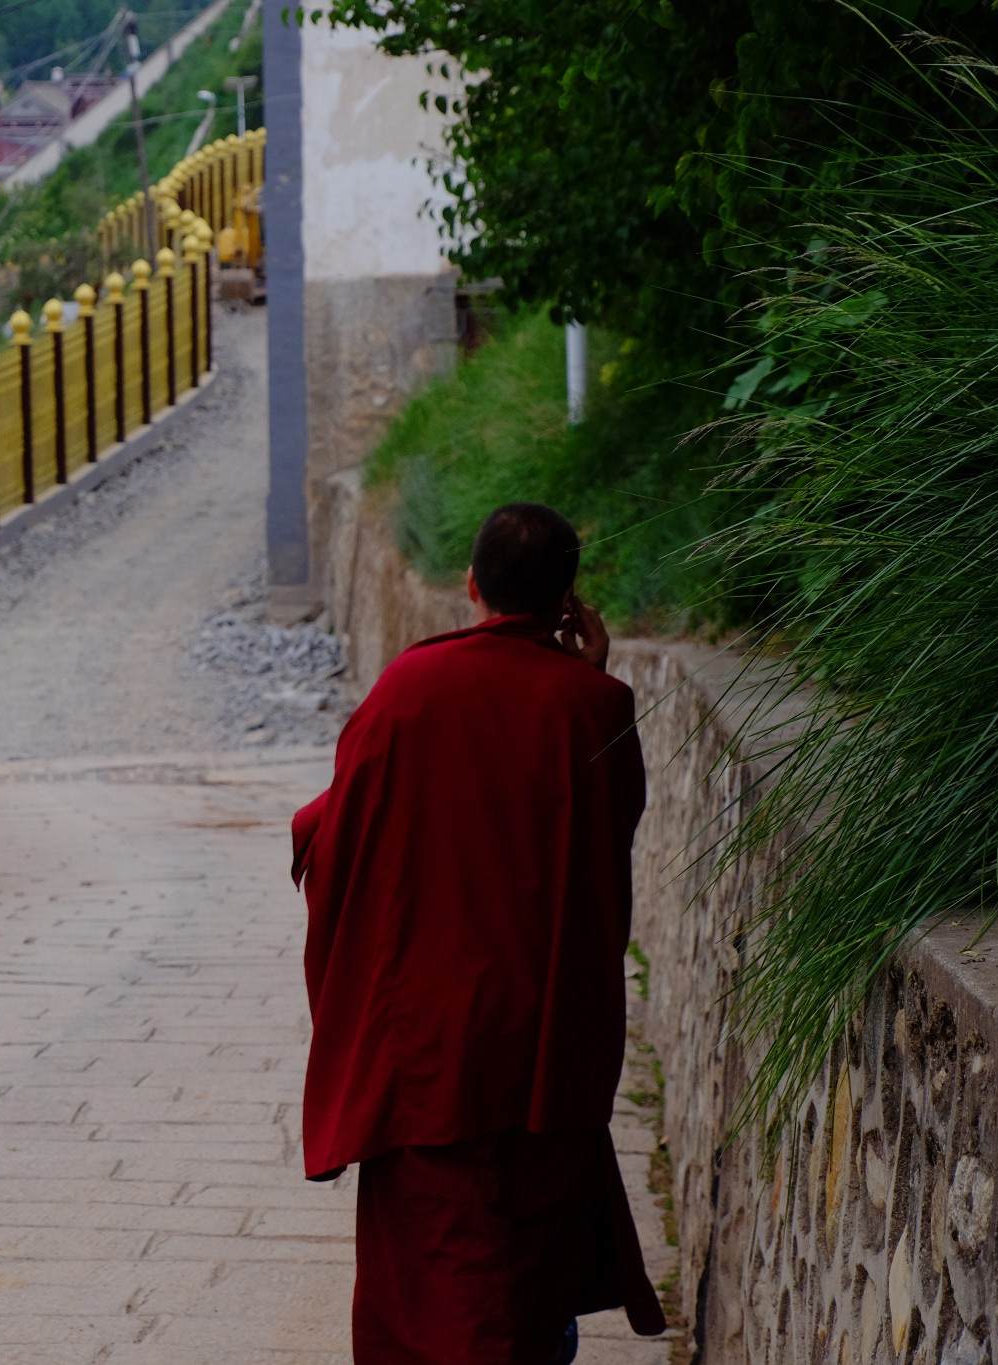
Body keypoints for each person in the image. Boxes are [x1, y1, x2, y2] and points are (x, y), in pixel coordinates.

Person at [291, 503, 666, 1364]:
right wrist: (594, 676)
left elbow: (333, 839)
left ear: (470, 585)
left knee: (436, 1277)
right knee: (529, 1269)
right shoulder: (597, 706)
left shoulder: (405, 693)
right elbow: (612, 833)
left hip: (428, 1042)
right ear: (569, 597)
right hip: (543, 1038)